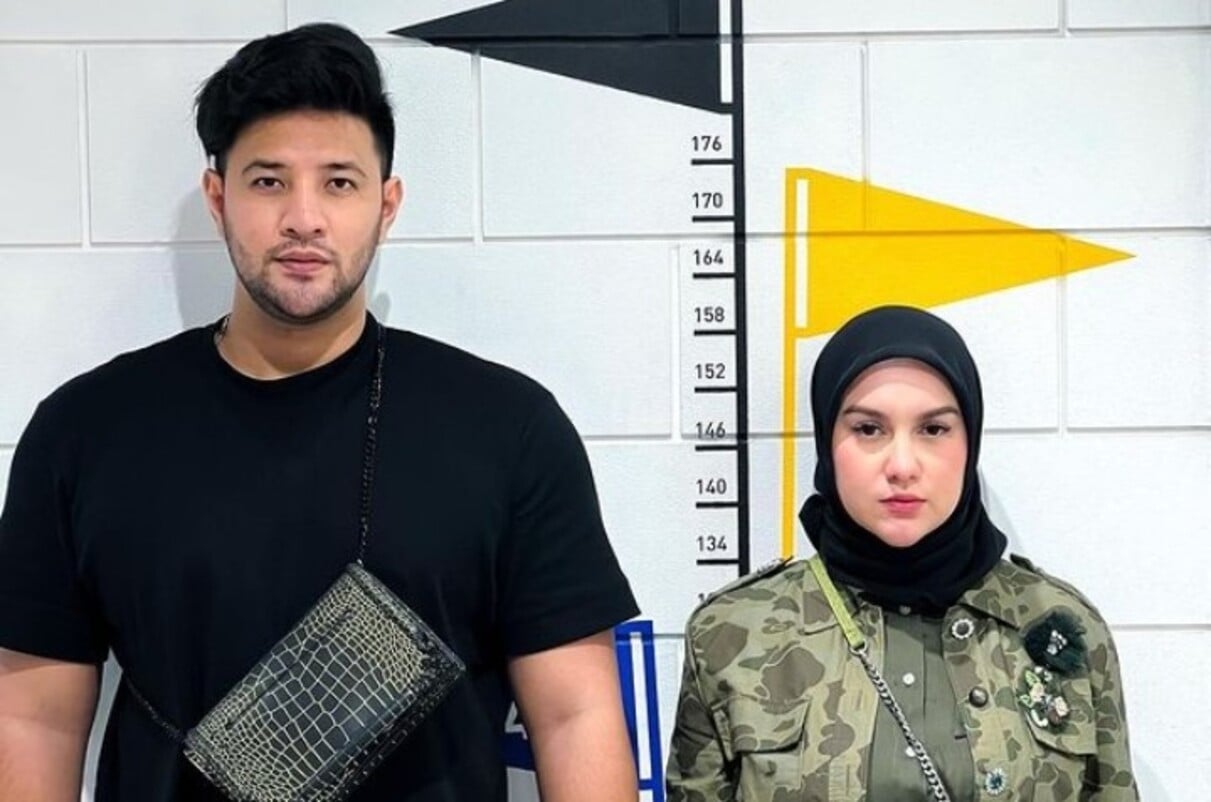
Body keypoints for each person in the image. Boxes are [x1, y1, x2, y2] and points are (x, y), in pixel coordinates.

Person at [0, 23, 640, 802]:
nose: (303, 217)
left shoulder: (508, 429)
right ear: (218, 198)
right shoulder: (85, 431)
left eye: (339, 182)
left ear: (386, 204)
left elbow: (575, 716)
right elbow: (34, 720)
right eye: (268, 181)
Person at [666, 305, 1137, 801]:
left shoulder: (1058, 628)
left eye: (933, 429)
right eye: (869, 429)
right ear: (827, 441)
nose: (903, 465)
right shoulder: (734, 635)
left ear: (970, 441)